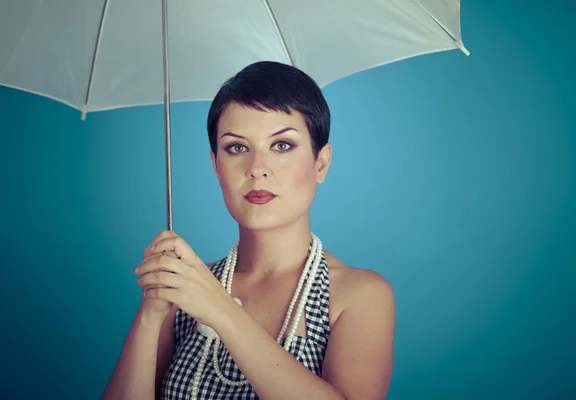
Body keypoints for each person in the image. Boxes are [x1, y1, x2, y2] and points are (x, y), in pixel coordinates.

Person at [102, 61, 395, 400]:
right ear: (216, 165)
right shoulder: (184, 289)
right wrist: (151, 315)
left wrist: (221, 310)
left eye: (282, 145)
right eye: (237, 148)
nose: (257, 169)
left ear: (321, 164)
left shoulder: (358, 295)